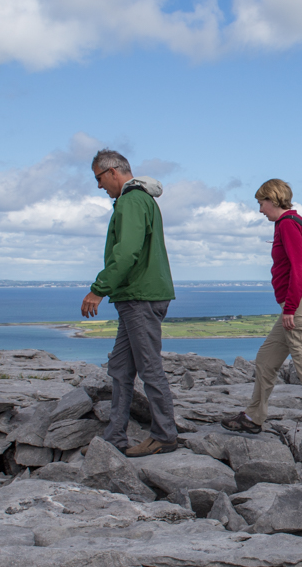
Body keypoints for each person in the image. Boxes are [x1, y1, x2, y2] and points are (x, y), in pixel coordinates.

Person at [222, 179, 302, 450]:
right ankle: (253, 417)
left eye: (261, 203)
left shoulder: (289, 224)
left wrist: (290, 308)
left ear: (273, 199)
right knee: (266, 359)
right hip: (297, 305)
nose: (260, 210)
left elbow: (299, 268)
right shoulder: (293, 222)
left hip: (297, 307)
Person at [81, 149, 179, 458]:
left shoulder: (132, 200)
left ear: (113, 172)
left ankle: (164, 435)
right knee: (121, 369)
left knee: (150, 369)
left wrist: (98, 289)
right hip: (134, 297)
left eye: (99, 178)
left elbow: (127, 253)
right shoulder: (137, 200)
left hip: (140, 297)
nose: (99, 186)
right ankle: (114, 437)